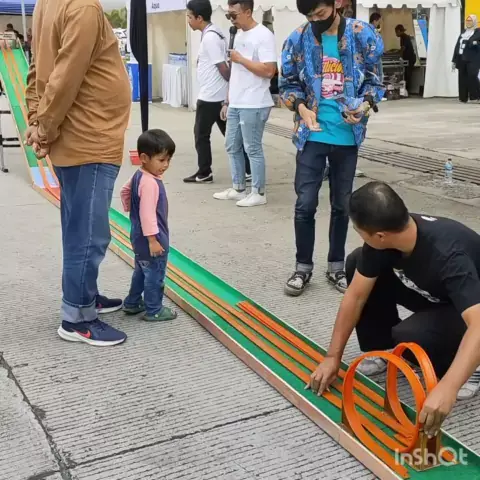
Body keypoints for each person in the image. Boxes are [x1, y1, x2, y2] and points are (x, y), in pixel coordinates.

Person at [309, 181, 480, 438]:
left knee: (412, 336)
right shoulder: (388, 237)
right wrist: (332, 356)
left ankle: (474, 369)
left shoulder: (448, 255)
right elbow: (355, 296)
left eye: (359, 231)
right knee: (357, 262)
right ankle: (384, 349)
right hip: (439, 295)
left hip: (472, 307)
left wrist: (448, 387)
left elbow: (478, 323)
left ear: (380, 235)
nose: (360, 235)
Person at [25, 0, 132, 346]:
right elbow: (63, 76)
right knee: (88, 234)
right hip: (89, 138)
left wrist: (36, 119)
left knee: (78, 227)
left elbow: (37, 67)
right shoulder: (82, 6)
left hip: (80, 138)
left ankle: (86, 295)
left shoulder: (47, 4)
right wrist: (44, 128)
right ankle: (78, 316)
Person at [279, 0, 384, 296]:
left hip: (347, 136)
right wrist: (301, 108)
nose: (315, 20)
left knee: (341, 205)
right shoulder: (297, 38)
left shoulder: (362, 34)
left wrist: (364, 106)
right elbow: (287, 84)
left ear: (336, 4)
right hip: (311, 134)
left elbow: (375, 82)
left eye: (321, 13)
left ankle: (336, 266)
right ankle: (302, 267)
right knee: (305, 204)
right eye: (309, 15)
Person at [213, 0, 277, 208]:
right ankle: (238, 188)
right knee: (231, 145)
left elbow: (269, 70)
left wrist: (241, 59)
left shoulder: (263, 35)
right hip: (236, 101)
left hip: (255, 101)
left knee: (252, 148)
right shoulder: (237, 34)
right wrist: (227, 100)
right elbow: (235, 73)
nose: (231, 20)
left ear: (248, 12)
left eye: (234, 15)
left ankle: (259, 192)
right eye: (228, 15)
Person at [183, 0, 252, 184]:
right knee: (232, 136)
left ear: (199, 18)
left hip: (211, 96)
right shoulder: (215, 33)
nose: (188, 21)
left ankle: (204, 172)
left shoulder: (210, 38)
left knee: (201, 135)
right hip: (217, 95)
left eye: (189, 17)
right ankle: (247, 169)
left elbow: (223, 69)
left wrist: (233, 83)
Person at [120, 130, 178, 322]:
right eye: (161, 160)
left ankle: (133, 302)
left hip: (138, 234)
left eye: (168, 160)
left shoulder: (139, 175)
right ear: (144, 158)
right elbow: (147, 214)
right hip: (153, 237)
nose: (166, 165)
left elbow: (125, 191)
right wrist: (153, 240)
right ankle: (154, 309)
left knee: (141, 269)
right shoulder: (150, 183)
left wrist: (130, 209)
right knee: (155, 274)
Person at [452, 14, 480, 104]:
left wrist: (475, 43)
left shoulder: (478, 31)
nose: (468, 22)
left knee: (472, 76)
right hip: (461, 57)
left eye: (470, 21)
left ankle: (475, 96)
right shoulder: (463, 32)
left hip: (473, 58)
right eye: (467, 21)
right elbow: (457, 45)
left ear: (474, 21)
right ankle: (463, 97)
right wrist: (454, 59)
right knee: (462, 77)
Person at [395, 24, 416, 95]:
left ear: (399, 31)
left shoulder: (404, 37)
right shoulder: (403, 37)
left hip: (410, 58)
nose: (396, 34)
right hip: (408, 58)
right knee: (406, 74)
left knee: (407, 74)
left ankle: (407, 90)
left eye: (396, 32)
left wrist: (399, 56)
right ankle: (406, 90)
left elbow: (403, 48)